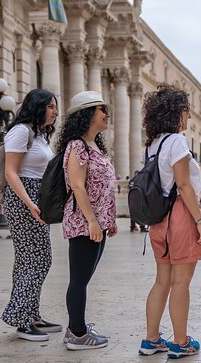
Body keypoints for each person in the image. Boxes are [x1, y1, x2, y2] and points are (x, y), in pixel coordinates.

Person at [139, 84, 201, 359]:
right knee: (181, 283)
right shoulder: (177, 142)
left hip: (159, 220)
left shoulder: (152, 145)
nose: (188, 118)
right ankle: (181, 342)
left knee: (162, 281)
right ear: (175, 112)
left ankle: (151, 339)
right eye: (185, 111)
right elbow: (184, 185)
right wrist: (200, 221)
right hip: (180, 216)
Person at [58, 91, 117, 351]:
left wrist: (108, 220)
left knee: (84, 277)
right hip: (84, 224)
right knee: (79, 279)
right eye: (101, 109)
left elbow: (103, 187)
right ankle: (78, 334)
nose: (106, 114)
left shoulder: (95, 147)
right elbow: (78, 187)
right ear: (88, 114)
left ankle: (76, 327)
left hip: (97, 223)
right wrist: (93, 221)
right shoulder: (77, 146)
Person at [0, 89, 60, 342]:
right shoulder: (21, 131)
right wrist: (30, 204)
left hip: (35, 198)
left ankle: (32, 315)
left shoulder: (39, 135)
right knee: (38, 259)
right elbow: (11, 172)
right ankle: (21, 320)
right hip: (22, 199)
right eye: (50, 106)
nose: (55, 112)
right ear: (37, 106)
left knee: (28, 260)